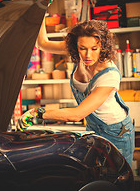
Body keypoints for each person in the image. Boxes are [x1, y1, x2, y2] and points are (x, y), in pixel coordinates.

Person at [18, 18, 135, 167]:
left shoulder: (109, 75)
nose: (87, 55)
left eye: (94, 49)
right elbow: (43, 44)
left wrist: (37, 113)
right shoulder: (77, 51)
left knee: (117, 184)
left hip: (116, 132)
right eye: (82, 48)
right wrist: (43, 8)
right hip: (93, 128)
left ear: (103, 47)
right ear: (76, 46)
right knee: (94, 177)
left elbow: (77, 114)